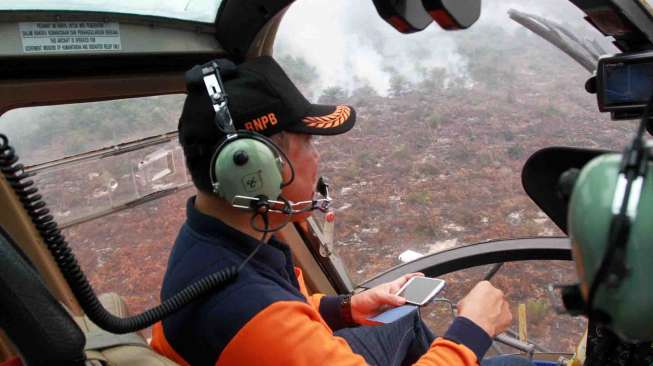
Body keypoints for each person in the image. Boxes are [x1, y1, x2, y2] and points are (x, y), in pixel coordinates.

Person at [151, 56, 532, 366]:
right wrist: (473, 330)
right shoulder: (250, 313)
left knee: (406, 319)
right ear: (255, 168)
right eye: (309, 143)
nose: (317, 158)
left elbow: (284, 312)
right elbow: (269, 325)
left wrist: (345, 308)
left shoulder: (212, 239)